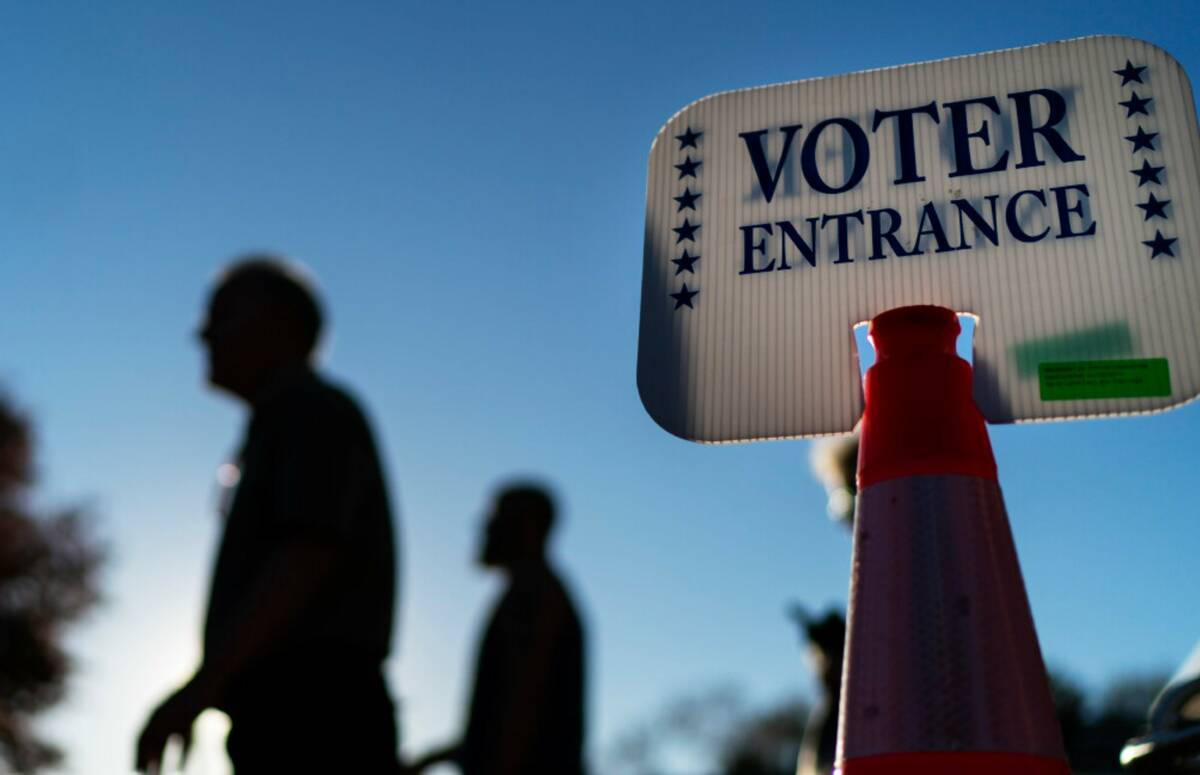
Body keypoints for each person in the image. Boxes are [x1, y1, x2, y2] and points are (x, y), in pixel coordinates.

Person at [135, 256, 400, 773]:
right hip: (295, 711)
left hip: (314, 714)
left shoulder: (309, 409)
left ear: (280, 324)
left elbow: (305, 557)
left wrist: (198, 690)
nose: (203, 332)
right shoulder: (283, 419)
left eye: (223, 314)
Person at [407, 483, 587, 775]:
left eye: (497, 516)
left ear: (528, 527)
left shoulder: (535, 594)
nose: (484, 526)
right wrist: (432, 759)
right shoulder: (532, 592)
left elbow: (521, 708)